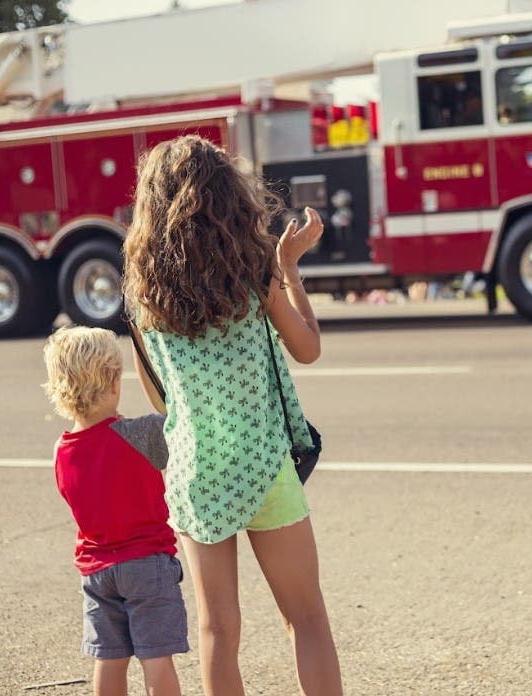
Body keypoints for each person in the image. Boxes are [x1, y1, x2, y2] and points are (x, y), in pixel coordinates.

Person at [122, 135, 342, 696]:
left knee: (218, 629)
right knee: (306, 618)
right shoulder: (254, 278)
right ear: (229, 199)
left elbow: (160, 400)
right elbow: (308, 348)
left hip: (199, 474)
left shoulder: (145, 298)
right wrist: (288, 268)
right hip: (267, 463)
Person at [42, 326, 186, 696]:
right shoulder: (142, 434)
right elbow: (180, 422)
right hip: (147, 563)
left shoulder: (62, 451)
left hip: (97, 571)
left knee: (108, 658)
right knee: (156, 657)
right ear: (111, 382)